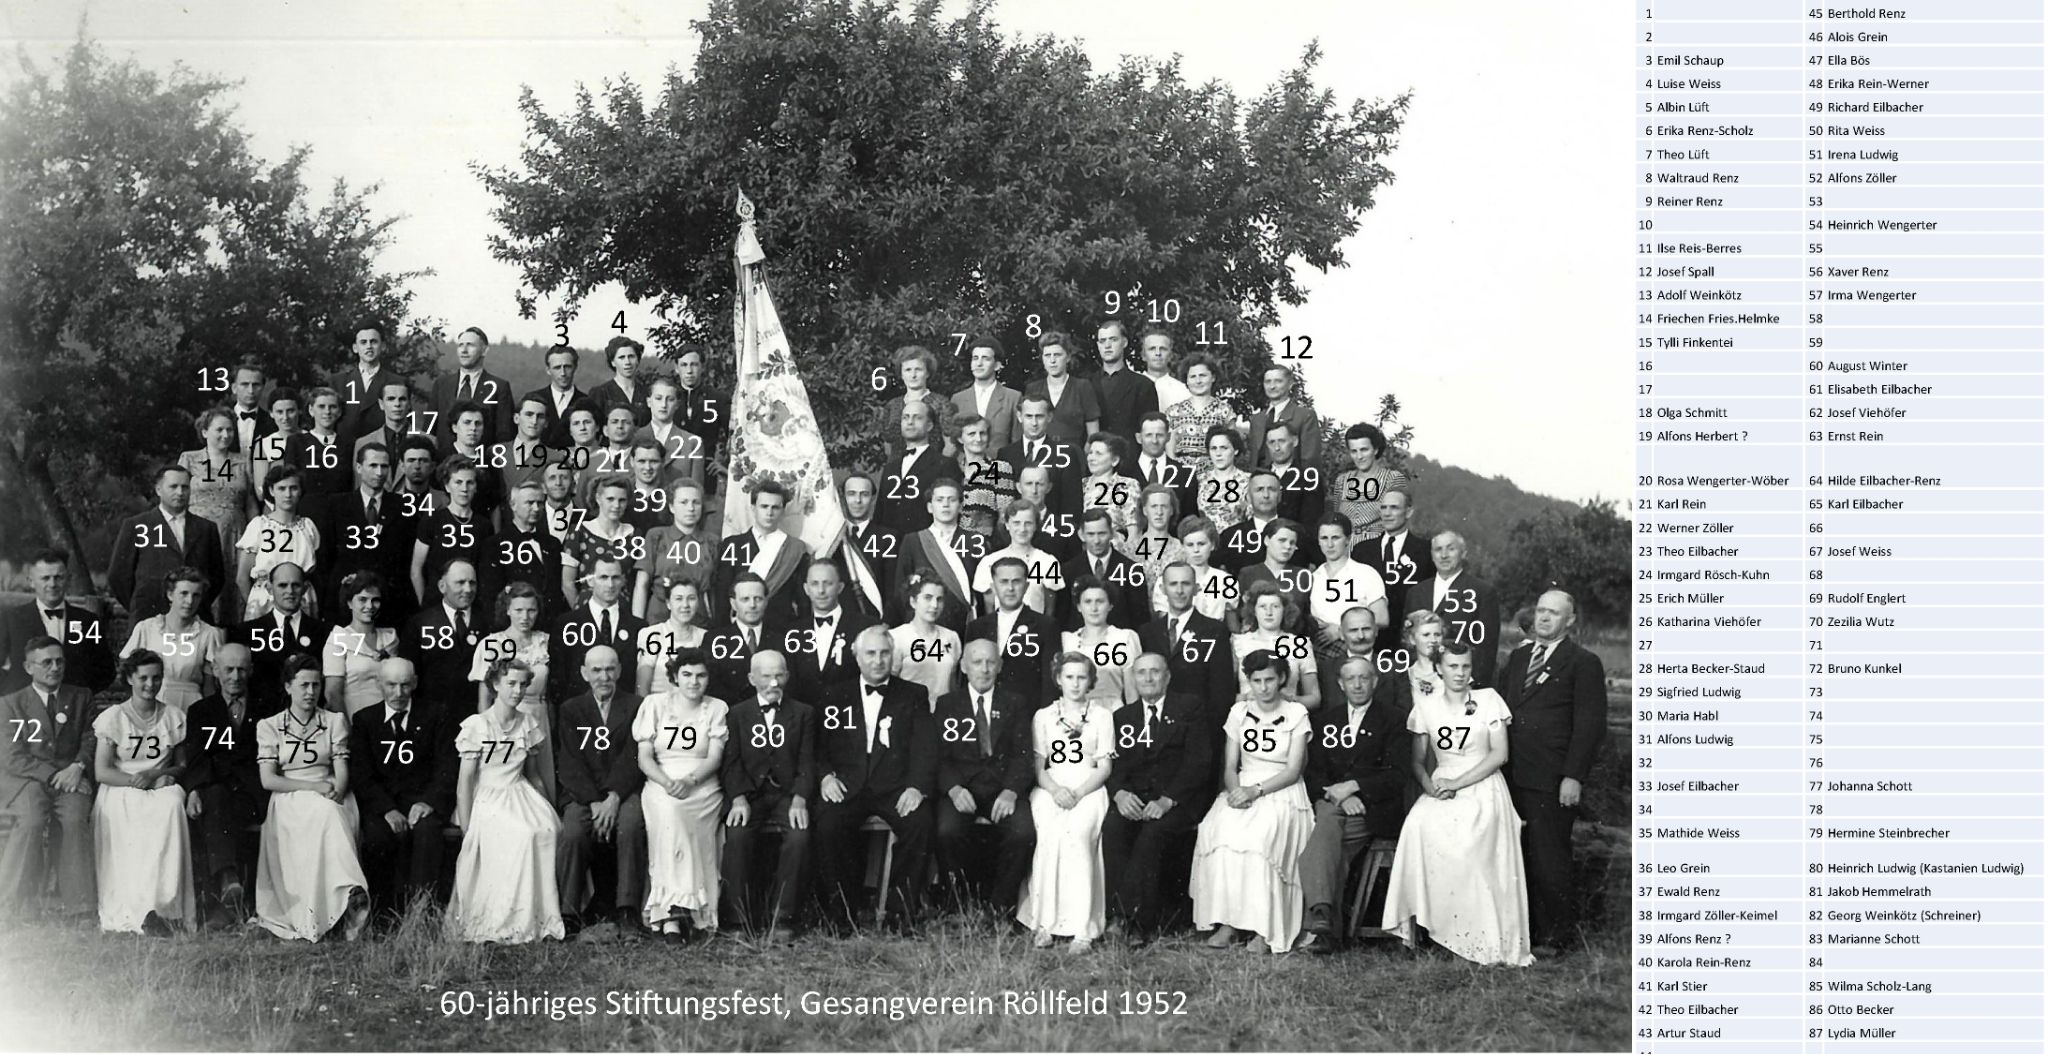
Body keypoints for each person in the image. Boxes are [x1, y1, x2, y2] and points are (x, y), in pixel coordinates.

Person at [1383, 643, 1532, 966]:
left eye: (1465, 666)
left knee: (1468, 846)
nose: (1460, 673)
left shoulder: (1489, 700)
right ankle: (1428, 929)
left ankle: (1471, 939)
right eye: (1452, 666)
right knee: (1417, 827)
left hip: (1483, 785)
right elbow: (1418, 762)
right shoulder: (1425, 706)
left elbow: (1499, 755)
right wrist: (1430, 787)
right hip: (1441, 785)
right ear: (1439, 669)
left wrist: (1456, 784)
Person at [1498, 588, 1606, 958]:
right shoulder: (1518, 657)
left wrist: (1573, 776)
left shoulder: (1583, 662)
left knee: (1549, 856)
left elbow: (1589, 725)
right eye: (1541, 611)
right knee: (1518, 854)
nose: (1544, 618)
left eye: (1554, 613)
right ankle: (1523, 930)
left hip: (1552, 778)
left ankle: (1556, 937)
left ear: (1570, 620)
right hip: (1512, 773)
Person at [812, 626, 936, 929]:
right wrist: (826, 777)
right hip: (848, 785)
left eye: (884, 653)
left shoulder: (913, 694)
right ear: (857, 657)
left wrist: (916, 787)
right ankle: (842, 914)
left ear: (892, 656)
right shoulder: (834, 694)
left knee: (919, 823)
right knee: (828, 825)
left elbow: (925, 747)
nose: (878, 661)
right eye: (870, 653)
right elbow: (817, 746)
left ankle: (899, 914)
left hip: (894, 787)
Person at [1190, 649, 1313, 953]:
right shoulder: (1239, 712)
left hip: (1281, 788)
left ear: (1281, 679)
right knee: (1217, 831)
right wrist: (1235, 792)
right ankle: (1228, 923)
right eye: (1257, 681)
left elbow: (1294, 770)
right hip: (1242, 786)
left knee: (1260, 838)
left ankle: (1263, 928)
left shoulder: (1296, 713)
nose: (1264, 687)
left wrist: (1255, 791)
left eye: (1269, 679)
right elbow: (1230, 766)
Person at [252, 652, 371, 941]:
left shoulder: (333, 721)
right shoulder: (270, 725)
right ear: (288, 687)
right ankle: (335, 899)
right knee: (323, 814)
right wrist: (312, 788)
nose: (310, 692)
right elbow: (269, 780)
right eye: (303, 685)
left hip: (327, 790)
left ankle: (347, 896)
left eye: (316, 685)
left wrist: (336, 789)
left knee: (331, 812)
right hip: (289, 795)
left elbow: (341, 771)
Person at [448, 658, 566, 943]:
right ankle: (509, 920)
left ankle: (540, 916)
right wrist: (467, 827)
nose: (517, 691)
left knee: (549, 830)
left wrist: (549, 807)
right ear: (495, 685)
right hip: (488, 797)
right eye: (511, 684)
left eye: (523, 685)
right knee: (523, 835)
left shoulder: (527, 723)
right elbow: (465, 784)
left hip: (520, 792)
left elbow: (534, 776)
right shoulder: (477, 725)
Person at [1296, 658, 1411, 950]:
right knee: (1331, 829)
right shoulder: (1327, 720)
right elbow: (1314, 773)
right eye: (1351, 679)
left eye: (1364, 678)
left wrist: (1356, 787)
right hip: (1334, 802)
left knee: (1324, 839)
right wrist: (1342, 795)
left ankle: (1321, 923)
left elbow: (1398, 774)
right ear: (1340, 684)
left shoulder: (1393, 719)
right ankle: (1325, 924)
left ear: (1375, 681)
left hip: (1372, 808)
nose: (1357, 685)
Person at [1101, 652, 1210, 941]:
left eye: (1155, 671)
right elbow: (1114, 765)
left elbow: (1199, 761)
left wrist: (1167, 800)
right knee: (1113, 827)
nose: (1148, 678)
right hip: (1136, 799)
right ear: (1133, 679)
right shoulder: (1122, 717)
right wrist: (1119, 794)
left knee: (1152, 834)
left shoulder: (1189, 707)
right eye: (1141, 673)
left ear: (1167, 676)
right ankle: (1116, 915)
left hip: (1178, 800)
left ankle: (1134, 921)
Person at [1016, 651, 1116, 953]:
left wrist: (1079, 792)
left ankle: (1083, 929)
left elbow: (1105, 767)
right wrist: (1056, 790)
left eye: (1081, 677)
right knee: (1050, 836)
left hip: (1088, 786)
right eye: (1069, 677)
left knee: (1079, 837)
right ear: (1058, 679)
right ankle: (1045, 924)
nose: (1075, 683)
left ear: (1091, 681)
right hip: (1052, 786)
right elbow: (1038, 766)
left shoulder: (1102, 715)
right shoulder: (1043, 715)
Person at [92, 649, 195, 934]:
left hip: (159, 786)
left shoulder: (173, 716)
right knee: (126, 810)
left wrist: (158, 774)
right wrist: (137, 780)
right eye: (143, 678)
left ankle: (166, 906)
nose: (151, 684)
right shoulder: (113, 717)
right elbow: (102, 771)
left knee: (172, 804)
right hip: (122, 785)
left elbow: (182, 766)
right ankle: (135, 908)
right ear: (130, 679)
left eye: (156, 678)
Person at [929, 638, 1034, 913]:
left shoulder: (1015, 703)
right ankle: (956, 905)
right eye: (977, 662)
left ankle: (1002, 906)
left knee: (1023, 833)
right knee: (946, 831)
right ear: (964, 667)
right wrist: (953, 789)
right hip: (963, 789)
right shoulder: (947, 704)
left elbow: (1023, 756)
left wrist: (1011, 791)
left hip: (1002, 790)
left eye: (990, 662)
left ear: (1000, 666)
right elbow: (938, 757)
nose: (984, 669)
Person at [720, 649, 816, 940]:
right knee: (737, 835)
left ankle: (782, 918)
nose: (774, 683)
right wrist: (738, 798)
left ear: (787, 676)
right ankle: (737, 920)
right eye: (766, 676)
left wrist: (800, 799)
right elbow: (731, 762)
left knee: (799, 837)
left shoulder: (803, 713)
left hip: (787, 795)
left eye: (779, 675)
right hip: (751, 796)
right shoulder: (737, 714)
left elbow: (807, 762)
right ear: (752, 679)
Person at [633, 646, 728, 939]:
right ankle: (671, 912)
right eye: (686, 675)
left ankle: (692, 912)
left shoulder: (716, 708)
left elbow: (715, 757)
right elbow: (645, 757)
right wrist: (667, 782)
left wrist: (689, 781)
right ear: (674, 676)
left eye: (701, 675)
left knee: (684, 818)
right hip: (661, 782)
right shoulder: (654, 704)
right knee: (670, 812)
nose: (694, 682)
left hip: (702, 785)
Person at [0, 637, 97, 922]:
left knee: (75, 817)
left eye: (59, 661)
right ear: (29, 667)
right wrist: (56, 775)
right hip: (27, 780)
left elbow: (92, 738)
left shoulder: (81, 697)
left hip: (72, 776)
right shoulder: (11, 704)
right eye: (46, 662)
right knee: (31, 820)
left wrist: (78, 766)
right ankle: (12, 903)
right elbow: (13, 757)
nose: (55, 668)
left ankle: (80, 906)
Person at [350, 657, 455, 919]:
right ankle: (384, 916)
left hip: (423, 802)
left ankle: (420, 912)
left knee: (427, 832)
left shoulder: (436, 714)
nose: (399, 693)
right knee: (378, 838)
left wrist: (428, 802)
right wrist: (387, 810)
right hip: (383, 805)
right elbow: (362, 775)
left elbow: (447, 767)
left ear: (415, 683)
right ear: (379, 684)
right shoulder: (365, 720)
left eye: (405, 685)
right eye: (391, 685)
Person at [555, 645, 648, 935]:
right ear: (585, 674)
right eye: (596, 670)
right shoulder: (571, 709)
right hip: (583, 794)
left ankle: (627, 909)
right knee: (573, 831)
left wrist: (614, 797)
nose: (604, 677)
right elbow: (570, 761)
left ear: (619, 671)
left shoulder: (636, 705)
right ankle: (568, 912)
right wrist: (594, 801)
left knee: (630, 825)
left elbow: (632, 757)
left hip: (624, 791)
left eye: (609, 669)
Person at [181, 644, 267, 928]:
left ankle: (229, 895)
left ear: (251, 671)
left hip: (254, 791)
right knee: (212, 800)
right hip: (216, 787)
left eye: (242, 669)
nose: (235, 676)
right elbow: (196, 757)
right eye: (228, 669)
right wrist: (193, 790)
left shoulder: (267, 707)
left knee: (219, 807)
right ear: (215, 670)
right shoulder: (201, 711)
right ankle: (226, 884)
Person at [107, 463, 226, 623]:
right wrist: (140, 605)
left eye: (185, 487)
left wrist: (195, 602)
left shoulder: (206, 528)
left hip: (195, 618)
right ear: (158, 490)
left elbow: (217, 577)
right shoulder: (137, 525)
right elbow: (118, 576)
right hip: (149, 616)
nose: (180, 492)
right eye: (173, 486)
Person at [317, 443, 411, 627]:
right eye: (373, 465)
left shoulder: (402, 506)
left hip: (389, 603)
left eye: (384, 466)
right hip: (346, 601)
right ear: (359, 467)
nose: (379, 472)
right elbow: (326, 558)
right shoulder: (337, 505)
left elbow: (405, 560)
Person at [0, 548, 114, 695]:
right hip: (24, 704)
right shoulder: (11, 619)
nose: (52, 584)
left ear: (68, 579)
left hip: (72, 705)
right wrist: (12, 694)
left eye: (58, 577)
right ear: (31, 582)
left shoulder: (87, 621)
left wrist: (79, 695)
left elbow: (106, 670)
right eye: (45, 578)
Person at [1137, 562, 1235, 727]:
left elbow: (1222, 692)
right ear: (1163, 589)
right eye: (1173, 584)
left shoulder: (1215, 631)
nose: (1179, 590)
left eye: (1186, 584)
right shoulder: (1148, 632)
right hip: (1158, 728)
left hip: (1199, 727)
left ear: (1196, 588)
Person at [227, 561, 330, 715]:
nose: (290, 591)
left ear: (305, 589)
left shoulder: (324, 632)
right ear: (269, 588)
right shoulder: (247, 632)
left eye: (296, 585)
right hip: (262, 717)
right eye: (282, 585)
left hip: (311, 716)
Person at [119, 566, 222, 712]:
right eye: (184, 594)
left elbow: (209, 686)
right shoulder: (147, 628)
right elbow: (128, 671)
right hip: (152, 699)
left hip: (192, 703)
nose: (190, 601)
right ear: (170, 595)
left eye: (196, 595)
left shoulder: (208, 634)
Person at [890, 478, 985, 634]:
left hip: (964, 624)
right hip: (924, 626)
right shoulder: (913, 540)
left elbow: (983, 590)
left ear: (961, 507)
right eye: (939, 500)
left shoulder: (976, 541)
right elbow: (901, 590)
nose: (945, 505)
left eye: (951, 500)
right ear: (930, 507)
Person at [180, 407, 251, 614]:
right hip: (198, 534)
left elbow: (250, 503)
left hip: (235, 535)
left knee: (232, 586)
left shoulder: (243, 461)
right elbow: (178, 496)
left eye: (230, 430)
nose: (226, 435)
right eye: (219, 429)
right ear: (204, 432)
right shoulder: (189, 459)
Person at [550, 555, 646, 703]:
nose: (610, 584)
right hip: (579, 711)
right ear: (590, 580)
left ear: (623, 581)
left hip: (625, 712)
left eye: (615, 578)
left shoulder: (638, 627)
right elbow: (559, 679)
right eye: (603, 577)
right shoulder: (567, 624)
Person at [784, 557, 879, 705]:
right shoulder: (792, 631)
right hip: (807, 716)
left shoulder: (865, 626)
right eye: (815, 584)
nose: (821, 591)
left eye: (828, 583)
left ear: (840, 587)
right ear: (806, 589)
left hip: (850, 713)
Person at [713, 481, 813, 619]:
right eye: (764, 506)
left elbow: (803, 600)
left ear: (783, 510)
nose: (769, 513)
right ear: (753, 508)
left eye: (775, 507)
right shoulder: (732, 545)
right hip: (741, 626)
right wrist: (723, 629)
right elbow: (722, 594)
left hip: (782, 626)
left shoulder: (795, 549)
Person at [964, 556, 1059, 702]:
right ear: (993, 587)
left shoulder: (1046, 625)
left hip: (1029, 708)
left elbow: (1050, 681)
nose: (1010, 588)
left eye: (1016, 581)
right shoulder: (977, 627)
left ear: (1026, 586)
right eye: (1003, 582)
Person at [237, 463, 323, 620]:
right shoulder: (259, 525)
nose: (288, 494)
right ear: (271, 491)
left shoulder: (308, 526)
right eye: (281, 488)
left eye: (293, 488)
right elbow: (242, 578)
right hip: (265, 601)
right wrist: (255, 604)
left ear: (300, 491)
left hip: (301, 599)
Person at [1307, 514, 1390, 674]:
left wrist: (1340, 631)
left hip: (1355, 650)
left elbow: (1382, 618)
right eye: (1324, 538)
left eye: (1336, 538)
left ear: (1348, 539)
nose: (1329, 544)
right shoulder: (1313, 577)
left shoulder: (1366, 573)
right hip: (1318, 650)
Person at [402, 558, 484, 711]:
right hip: (432, 714)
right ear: (442, 586)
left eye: (472, 583)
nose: (468, 589)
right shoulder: (419, 623)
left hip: (475, 713)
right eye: (460, 583)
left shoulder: (487, 622)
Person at [409, 457, 491, 608]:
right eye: (458, 482)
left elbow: (485, 572)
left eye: (470, 483)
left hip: (471, 604)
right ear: (447, 486)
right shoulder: (432, 521)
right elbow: (416, 570)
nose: (464, 488)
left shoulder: (484, 525)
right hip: (435, 604)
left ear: (476, 487)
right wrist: (424, 606)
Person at [1357, 490, 1432, 653]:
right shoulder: (1362, 550)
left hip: (1409, 641)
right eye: (1383, 508)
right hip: (1369, 640)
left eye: (1394, 508)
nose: (1387, 513)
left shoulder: (1426, 551)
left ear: (1409, 512)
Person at [1427, 531, 1503, 687]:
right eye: (1438, 549)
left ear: (1463, 554)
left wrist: (1473, 686)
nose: (1444, 555)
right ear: (1432, 555)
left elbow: (1486, 649)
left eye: (1451, 549)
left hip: (1462, 685)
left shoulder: (1482, 592)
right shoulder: (1416, 592)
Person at [705, 573, 793, 705]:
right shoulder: (714, 639)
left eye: (758, 599)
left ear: (766, 601)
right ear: (733, 604)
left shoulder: (783, 638)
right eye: (745, 599)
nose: (752, 605)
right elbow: (711, 687)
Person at [1232, 581, 1321, 710]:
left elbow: (1314, 698)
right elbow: (1224, 697)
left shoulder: (1300, 644)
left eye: (1275, 606)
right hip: (1247, 715)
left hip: (1288, 716)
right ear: (1254, 611)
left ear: (1285, 610)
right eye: (1262, 606)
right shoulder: (1238, 642)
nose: (1269, 612)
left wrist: (1290, 699)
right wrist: (1246, 697)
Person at [322, 572, 400, 718]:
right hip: (354, 718)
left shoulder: (389, 638)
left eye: (375, 600)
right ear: (350, 603)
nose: (369, 606)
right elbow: (332, 694)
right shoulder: (339, 639)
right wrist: (347, 728)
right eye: (362, 600)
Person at [485, 482, 568, 619]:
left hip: (550, 622)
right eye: (530, 503)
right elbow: (491, 595)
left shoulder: (552, 544)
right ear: (513, 505)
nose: (536, 508)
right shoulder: (495, 545)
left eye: (540, 503)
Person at [429, 326, 517, 451]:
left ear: (484, 351)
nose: (464, 350)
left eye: (470, 345)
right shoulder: (441, 384)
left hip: (483, 459)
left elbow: (505, 435)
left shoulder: (499, 387)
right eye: (460, 345)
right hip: (443, 459)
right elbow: (429, 430)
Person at [971, 501, 1064, 616]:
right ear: (1007, 524)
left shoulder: (1049, 562)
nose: (1022, 529)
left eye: (1028, 523)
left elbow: (1050, 609)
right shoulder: (988, 562)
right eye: (1016, 523)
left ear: (1036, 526)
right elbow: (989, 608)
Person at [1061, 510, 1148, 631]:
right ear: (1081, 535)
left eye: (1102, 534)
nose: (1097, 541)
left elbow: (1141, 620)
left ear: (1112, 533)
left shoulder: (1131, 570)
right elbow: (1063, 618)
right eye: (1091, 534)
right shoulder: (1068, 570)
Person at [562, 477, 641, 610]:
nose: (616, 505)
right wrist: (581, 614)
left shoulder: (634, 534)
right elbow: (567, 583)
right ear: (598, 499)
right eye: (610, 499)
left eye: (622, 500)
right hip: (587, 610)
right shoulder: (580, 532)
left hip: (623, 610)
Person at [1062, 580, 1142, 707]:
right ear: (1079, 607)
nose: (1094, 608)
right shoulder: (1067, 641)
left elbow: (1132, 693)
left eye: (1100, 601)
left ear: (1110, 605)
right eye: (1088, 602)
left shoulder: (1124, 638)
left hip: (1114, 712)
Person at [328, 321, 405, 450]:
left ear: (383, 346)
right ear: (355, 348)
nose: (369, 346)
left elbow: (404, 423)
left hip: (381, 452)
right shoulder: (338, 382)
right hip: (343, 451)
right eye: (363, 342)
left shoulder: (397, 382)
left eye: (373, 342)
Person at [876, 400, 950, 534]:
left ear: (929, 425)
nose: (910, 422)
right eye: (905, 417)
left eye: (917, 418)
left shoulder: (944, 465)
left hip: (925, 542)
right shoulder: (890, 468)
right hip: (890, 542)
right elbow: (880, 513)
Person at [1329, 423, 1408, 546]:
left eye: (1364, 450)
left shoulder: (1392, 478)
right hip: (1346, 548)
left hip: (1378, 547)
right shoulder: (1342, 480)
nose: (1359, 456)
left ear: (1375, 450)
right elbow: (1337, 519)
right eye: (1354, 451)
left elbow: (1399, 521)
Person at [833, 473, 898, 622]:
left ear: (873, 499)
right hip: (840, 622)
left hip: (875, 621)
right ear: (843, 497)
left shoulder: (888, 537)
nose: (858, 500)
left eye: (864, 494)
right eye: (851, 494)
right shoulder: (832, 540)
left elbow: (893, 590)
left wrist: (886, 624)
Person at [491, 394, 564, 524]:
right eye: (529, 415)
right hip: (498, 524)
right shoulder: (494, 452)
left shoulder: (555, 458)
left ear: (546, 423)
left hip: (536, 525)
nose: (534, 421)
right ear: (516, 418)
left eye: (540, 416)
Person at [997, 396, 1073, 520]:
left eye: (1039, 416)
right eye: (1029, 416)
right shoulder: (1005, 454)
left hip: (1052, 526)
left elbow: (1071, 501)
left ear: (1049, 417)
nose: (1034, 423)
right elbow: (1002, 497)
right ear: (1019, 416)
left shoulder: (1064, 454)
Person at [1024, 331, 1101, 454]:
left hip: (1074, 455)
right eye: (1047, 355)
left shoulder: (1082, 387)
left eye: (1057, 355)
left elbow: (1093, 433)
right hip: (1041, 456)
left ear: (1068, 357)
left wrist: (1082, 458)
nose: (1052, 360)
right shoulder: (1033, 389)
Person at [1230, 519, 1311, 634]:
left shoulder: (1303, 575)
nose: (1288, 546)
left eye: (1292, 543)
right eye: (1282, 540)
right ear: (1267, 540)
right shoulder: (1248, 573)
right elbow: (1236, 612)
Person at [1219, 471, 1308, 574]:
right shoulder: (1230, 536)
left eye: (1272, 489)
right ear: (1248, 497)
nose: (1266, 495)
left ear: (1280, 496)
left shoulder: (1299, 533)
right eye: (1259, 489)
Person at [879, 345, 958, 458]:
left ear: (927, 373)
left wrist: (939, 466)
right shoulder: (892, 406)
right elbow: (888, 447)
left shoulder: (940, 403)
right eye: (908, 370)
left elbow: (951, 445)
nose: (913, 375)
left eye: (918, 369)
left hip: (932, 466)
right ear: (901, 374)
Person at [633, 375, 709, 492]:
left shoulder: (692, 443)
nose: (664, 405)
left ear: (677, 404)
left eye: (670, 399)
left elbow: (696, 489)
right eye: (658, 398)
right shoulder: (634, 437)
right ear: (649, 402)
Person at [1150, 518, 1234, 623]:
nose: (1196, 550)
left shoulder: (1225, 580)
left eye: (1201, 544)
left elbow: (1232, 622)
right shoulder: (1166, 579)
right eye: (1190, 545)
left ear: (1212, 545)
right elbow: (1164, 621)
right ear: (1182, 546)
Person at [635, 578, 710, 696]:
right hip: (658, 704)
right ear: (668, 603)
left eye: (691, 598)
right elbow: (642, 687)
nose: (685, 605)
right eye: (678, 599)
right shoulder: (653, 634)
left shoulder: (705, 636)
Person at [286, 387, 351, 517]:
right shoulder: (296, 442)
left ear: (339, 411)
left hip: (341, 513)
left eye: (333, 407)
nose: (327, 411)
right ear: (311, 410)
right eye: (321, 406)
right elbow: (290, 480)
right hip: (306, 512)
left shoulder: (349, 444)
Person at [951, 334, 1024, 450]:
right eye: (975, 358)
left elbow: (1018, 442)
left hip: (1000, 460)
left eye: (986, 358)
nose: (979, 363)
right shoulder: (958, 399)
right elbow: (953, 444)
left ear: (997, 365)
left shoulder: (1013, 398)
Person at [1090, 319, 1159, 442]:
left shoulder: (1143, 385)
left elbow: (1151, 430)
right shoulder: (1086, 383)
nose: (1107, 345)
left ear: (1124, 342)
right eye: (1102, 341)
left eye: (1113, 339)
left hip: (1129, 451)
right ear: (1098, 345)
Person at [1126, 412, 1198, 527]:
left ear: (1168, 437)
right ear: (1139, 438)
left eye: (1159, 435)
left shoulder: (1185, 473)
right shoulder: (1124, 473)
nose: (1154, 441)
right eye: (1148, 435)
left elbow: (1189, 518)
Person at [1246, 366, 1323, 470]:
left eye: (1278, 381)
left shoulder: (1304, 416)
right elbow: (1254, 459)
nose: (1272, 386)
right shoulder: (1257, 419)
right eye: (1268, 382)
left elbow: (1310, 460)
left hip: (1293, 478)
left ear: (1290, 384)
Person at [1163, 353, 1235, 461]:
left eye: (1203, 375)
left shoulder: (1225, 411)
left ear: (1213, 377)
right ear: (1187, 380)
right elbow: (1169, 450)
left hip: (1215, 469)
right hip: (1180, 469)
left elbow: (1231, 447)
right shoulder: (1174, 412)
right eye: (1193, 377)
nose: (1198, 381)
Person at [246, 386, 302, 521]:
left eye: (290, 411)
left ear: (299, 410)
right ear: (271, 413)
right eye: (279, 412)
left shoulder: (310, 438)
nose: (285, 417)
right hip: (275, 511)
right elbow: (261, 491)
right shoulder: (264, 444)